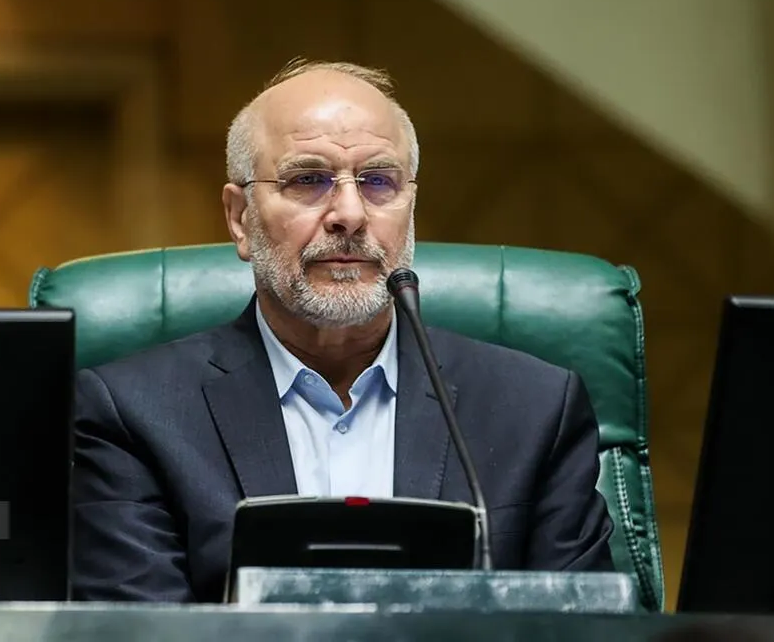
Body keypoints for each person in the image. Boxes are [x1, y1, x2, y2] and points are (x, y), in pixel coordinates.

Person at [71, 59, 615, 602]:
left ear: (410, 208)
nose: (350, 214)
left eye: (378, 181)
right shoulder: (132, 414)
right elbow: (142, 631)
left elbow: (584, 627)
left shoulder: (535, 409)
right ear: (240, 219)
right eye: (308, 180)